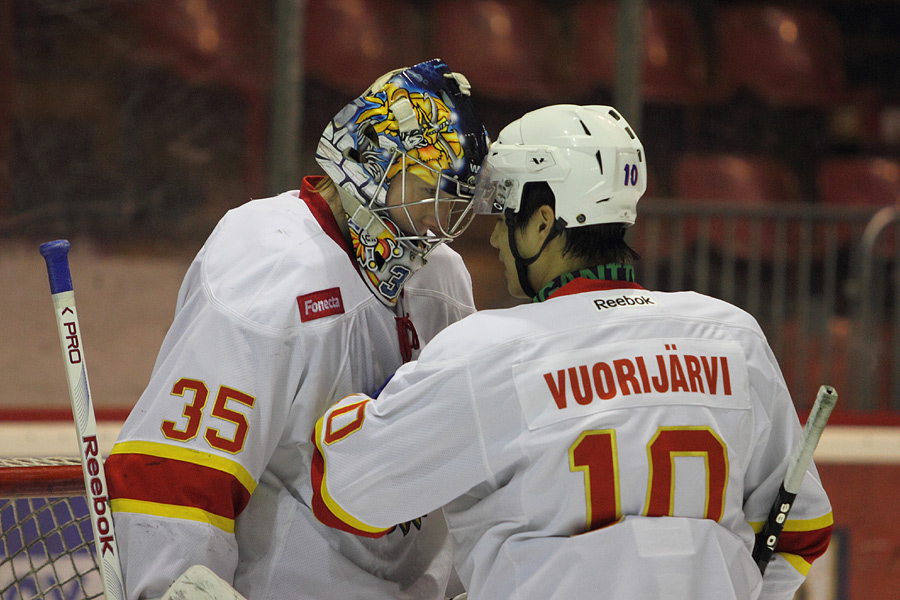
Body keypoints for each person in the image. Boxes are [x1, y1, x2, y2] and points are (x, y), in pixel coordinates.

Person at [308, 104, 833, 600]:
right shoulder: (731, 336)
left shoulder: (492, 352)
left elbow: (346, 489)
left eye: (504, 214)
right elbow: (802, 528)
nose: (494, 238)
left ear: (541, 221)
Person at [105, 58, 490, 600]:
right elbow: (177, 477)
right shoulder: (268, 266)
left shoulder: (442, 279)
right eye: (428, 188)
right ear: (367, 158)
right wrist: (168, 585)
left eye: (453, 199)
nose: (438, 219)